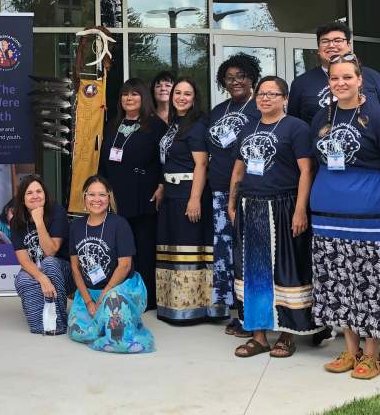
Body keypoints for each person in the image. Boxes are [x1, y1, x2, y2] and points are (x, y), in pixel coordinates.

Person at [310, 54, 380, 381]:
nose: (340, 83)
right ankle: (349, 349)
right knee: (338, 283)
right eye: (334, 78)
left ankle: (372, 353)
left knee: (373, 284)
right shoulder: (321, 118)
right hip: (328, 216)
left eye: (347, 78)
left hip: (374, 218)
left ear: (360, 79)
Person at [227, 75, 315, 359]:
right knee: (253, 273)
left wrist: (301, 209)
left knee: (286, 270)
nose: (265, 99)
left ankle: (287, 335)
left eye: (272, 94)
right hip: (250, 205)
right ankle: (258, 335)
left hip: (283, 206)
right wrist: (232, 202)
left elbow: (306, 171)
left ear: (284, 98)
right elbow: (238, 169)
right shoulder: (248, 127)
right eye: (261, 94)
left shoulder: (296, 128)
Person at [97, 77, 164, 311]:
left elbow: (166, 161)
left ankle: (146, 297)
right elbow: (104, 160)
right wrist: (100, 189)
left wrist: (161, 185)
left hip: (143, 194)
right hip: (116, 193)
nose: (129, 98)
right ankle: (120, 292)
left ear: (143, 98)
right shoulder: (113, 123)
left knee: (143, 246)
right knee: (119, 247)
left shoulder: (155, 125)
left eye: (135, 94)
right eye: (125, 94)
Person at [68, 175, 154, 353]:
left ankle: (118, 322)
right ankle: (106, 323)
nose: (96, 200)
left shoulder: (119, 224)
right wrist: (88, 301)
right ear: (84, 197)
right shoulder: (76, 226)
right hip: (90, 292)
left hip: (119, 290)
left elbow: (124, 266)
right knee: (78, 333)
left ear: (109, 198)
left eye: (102, 195)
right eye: (91, 195)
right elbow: (75, 268)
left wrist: (103, 298)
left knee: (119, 340)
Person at [206, 53, 262, 327]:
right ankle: (235, 309)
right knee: (226, 253)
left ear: (252, 78)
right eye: (230, 78)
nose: (236, 81)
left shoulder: (259, 109)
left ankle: (252, 310)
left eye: (241, 76)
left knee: (249, 251)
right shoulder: (219, 111)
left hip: (250, 193)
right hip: (218, 192)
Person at [155, 76, 213, 325]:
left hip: (188, 193)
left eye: (187, 94)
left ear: (194, 98)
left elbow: (201, 163)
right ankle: (173, 306)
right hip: (170, 194)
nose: (181, 97)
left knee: (189, 251)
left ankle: (194, 309)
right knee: (172, 252)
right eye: (177, 93)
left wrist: (195, 199)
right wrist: (161, 187)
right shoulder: (173, 124)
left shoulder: (196, 125)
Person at [288, 23, 380, 124]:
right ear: (318, 48)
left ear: (349, 45)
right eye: (325, 41)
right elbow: (294, 123)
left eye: (337, 40)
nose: (331, 45)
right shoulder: (301, 83)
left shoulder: (372, 76)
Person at [10, 175, 69, 335]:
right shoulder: (16, 221)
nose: (35, 196)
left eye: (39, 191)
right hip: (38, 268)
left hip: (63, 270)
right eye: (29, 193)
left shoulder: (57, 212)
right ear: (23, 199)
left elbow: (51, 251)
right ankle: (40, 323)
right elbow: (23, 259)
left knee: (49, 262)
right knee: (22, 278)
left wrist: (39, 221)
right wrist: (41, 278)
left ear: (45, 194)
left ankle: (59, 322)